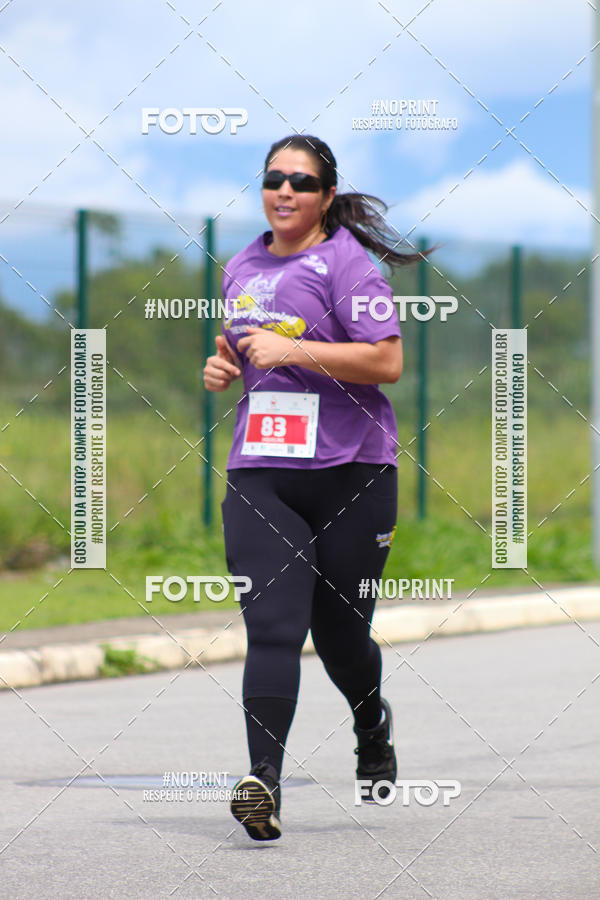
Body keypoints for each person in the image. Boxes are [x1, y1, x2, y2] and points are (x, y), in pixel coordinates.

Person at [203, 135, 426, 841]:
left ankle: (371, 722)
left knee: (340, 635)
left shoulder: (347, 266)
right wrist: (224, 368)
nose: (285, 191)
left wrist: (294, 349)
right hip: (262, 471)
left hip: (351, 473)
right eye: (274, 178)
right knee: (272, 624)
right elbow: (235, 343)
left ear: (327, 196)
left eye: (302, 181)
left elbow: (386, 362)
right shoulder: (240, 264)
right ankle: (262, 786)